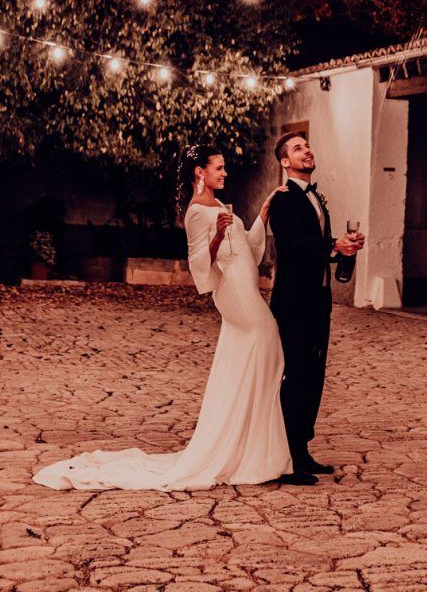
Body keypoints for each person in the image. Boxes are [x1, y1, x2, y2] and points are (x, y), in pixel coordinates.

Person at [32, 142, 293, 491]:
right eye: (219, 168)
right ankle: (247, 445)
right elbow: (200, 261)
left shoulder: (217, 204)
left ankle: (250, 447)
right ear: (200, 172)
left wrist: (263, 211)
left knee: (259, 355)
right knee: (268, 340)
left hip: (246, 284)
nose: (225, 173)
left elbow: (246, 244)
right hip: (234, 292)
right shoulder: (197, 211)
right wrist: (216, 235)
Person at [269, 132, 364, 485]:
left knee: (314, 375)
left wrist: (344, 247)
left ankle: (303, 449)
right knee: (294, 376)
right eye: (297, 148)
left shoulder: (316, 198)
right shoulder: (282, 199)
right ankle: (287, 459)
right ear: (284, 162)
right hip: (293, 302)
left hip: (318, 300)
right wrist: (331, 244)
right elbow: (293, 245)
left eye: (307, 146)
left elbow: (317, 243)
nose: (306, 151)